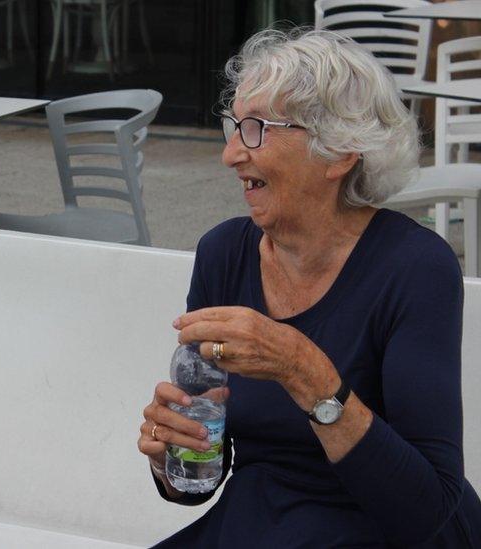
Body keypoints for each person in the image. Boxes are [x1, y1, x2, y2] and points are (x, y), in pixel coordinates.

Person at [138, 29, 481, 547]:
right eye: (233, 126)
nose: (231, 154)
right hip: (265, 518)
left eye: (256, 129)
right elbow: (203, 471)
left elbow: (426, 509)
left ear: (340, 151)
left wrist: (302, 369)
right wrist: (175, 458)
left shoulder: (415, 267)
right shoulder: (222, 255)